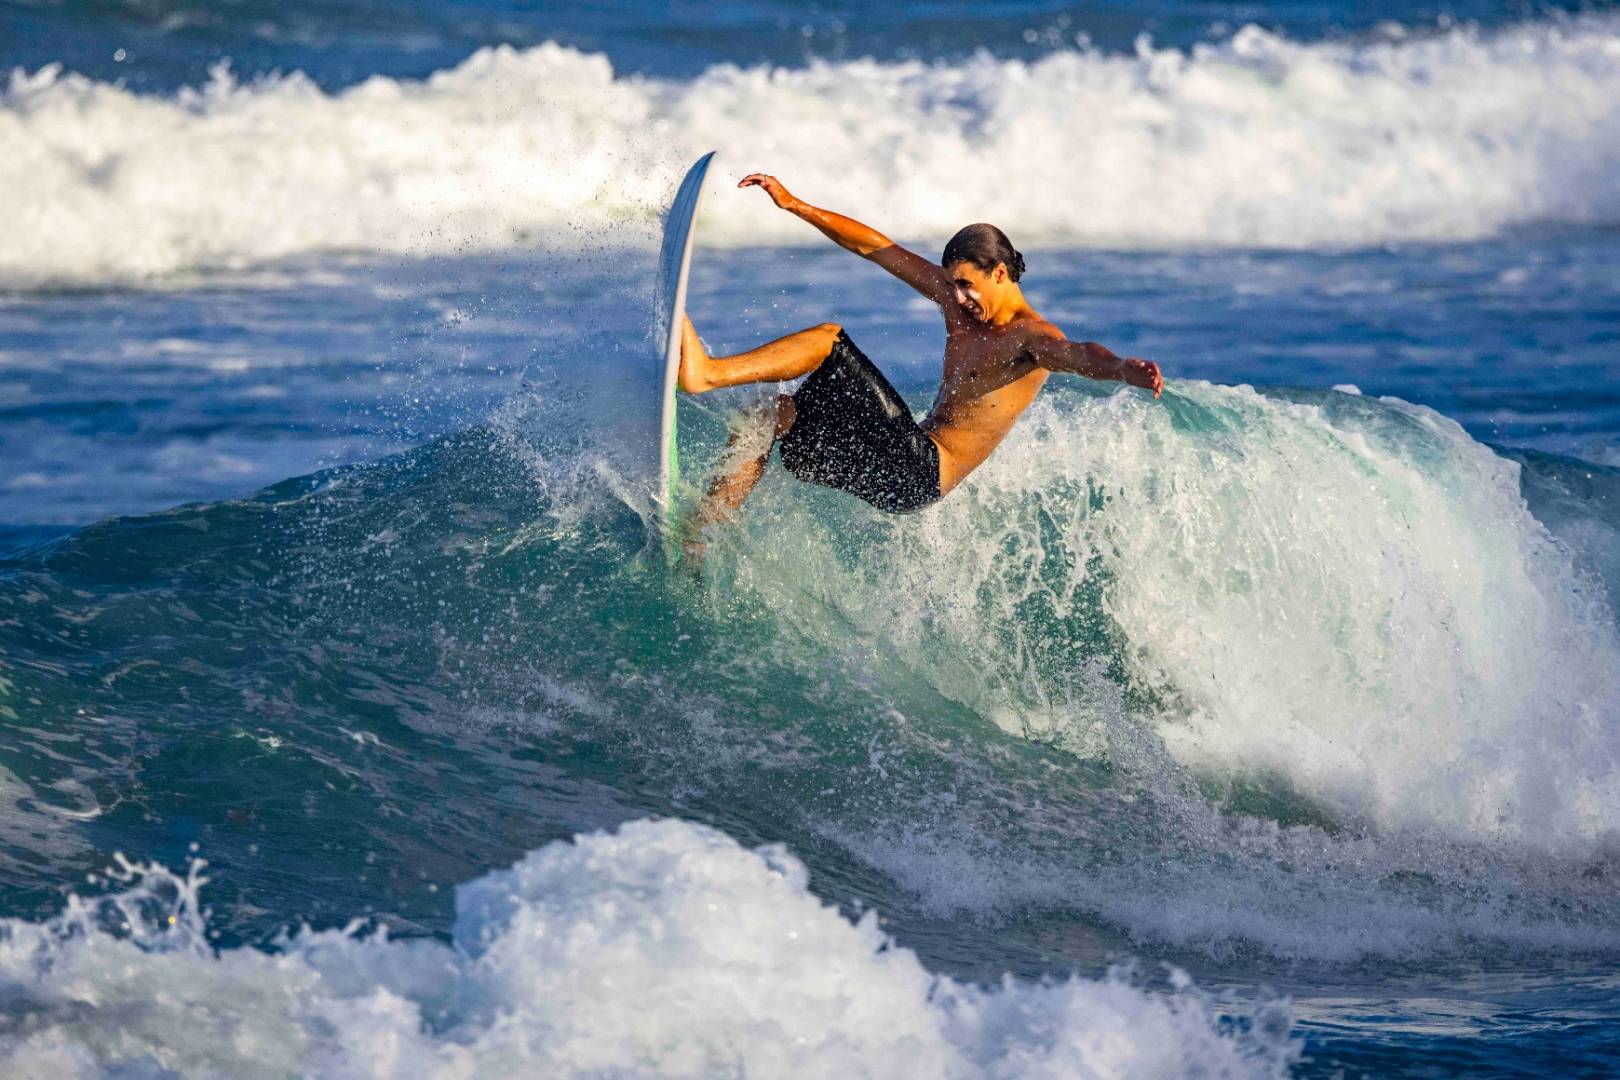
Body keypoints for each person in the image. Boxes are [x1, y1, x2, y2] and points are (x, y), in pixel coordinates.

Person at [678, 172, 1162, 550]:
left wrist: (1122, 369)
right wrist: (794, 204)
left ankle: (709, 374)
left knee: (828, 340)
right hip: (898, 464)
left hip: (922, 473)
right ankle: (701, 536)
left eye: (967, 285)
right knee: (769, 416)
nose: (958, 297)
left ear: (999, 273)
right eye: (952, 285)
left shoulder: (1030, 338)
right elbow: (875, 247)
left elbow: (1079, 355)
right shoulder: (957, 302)